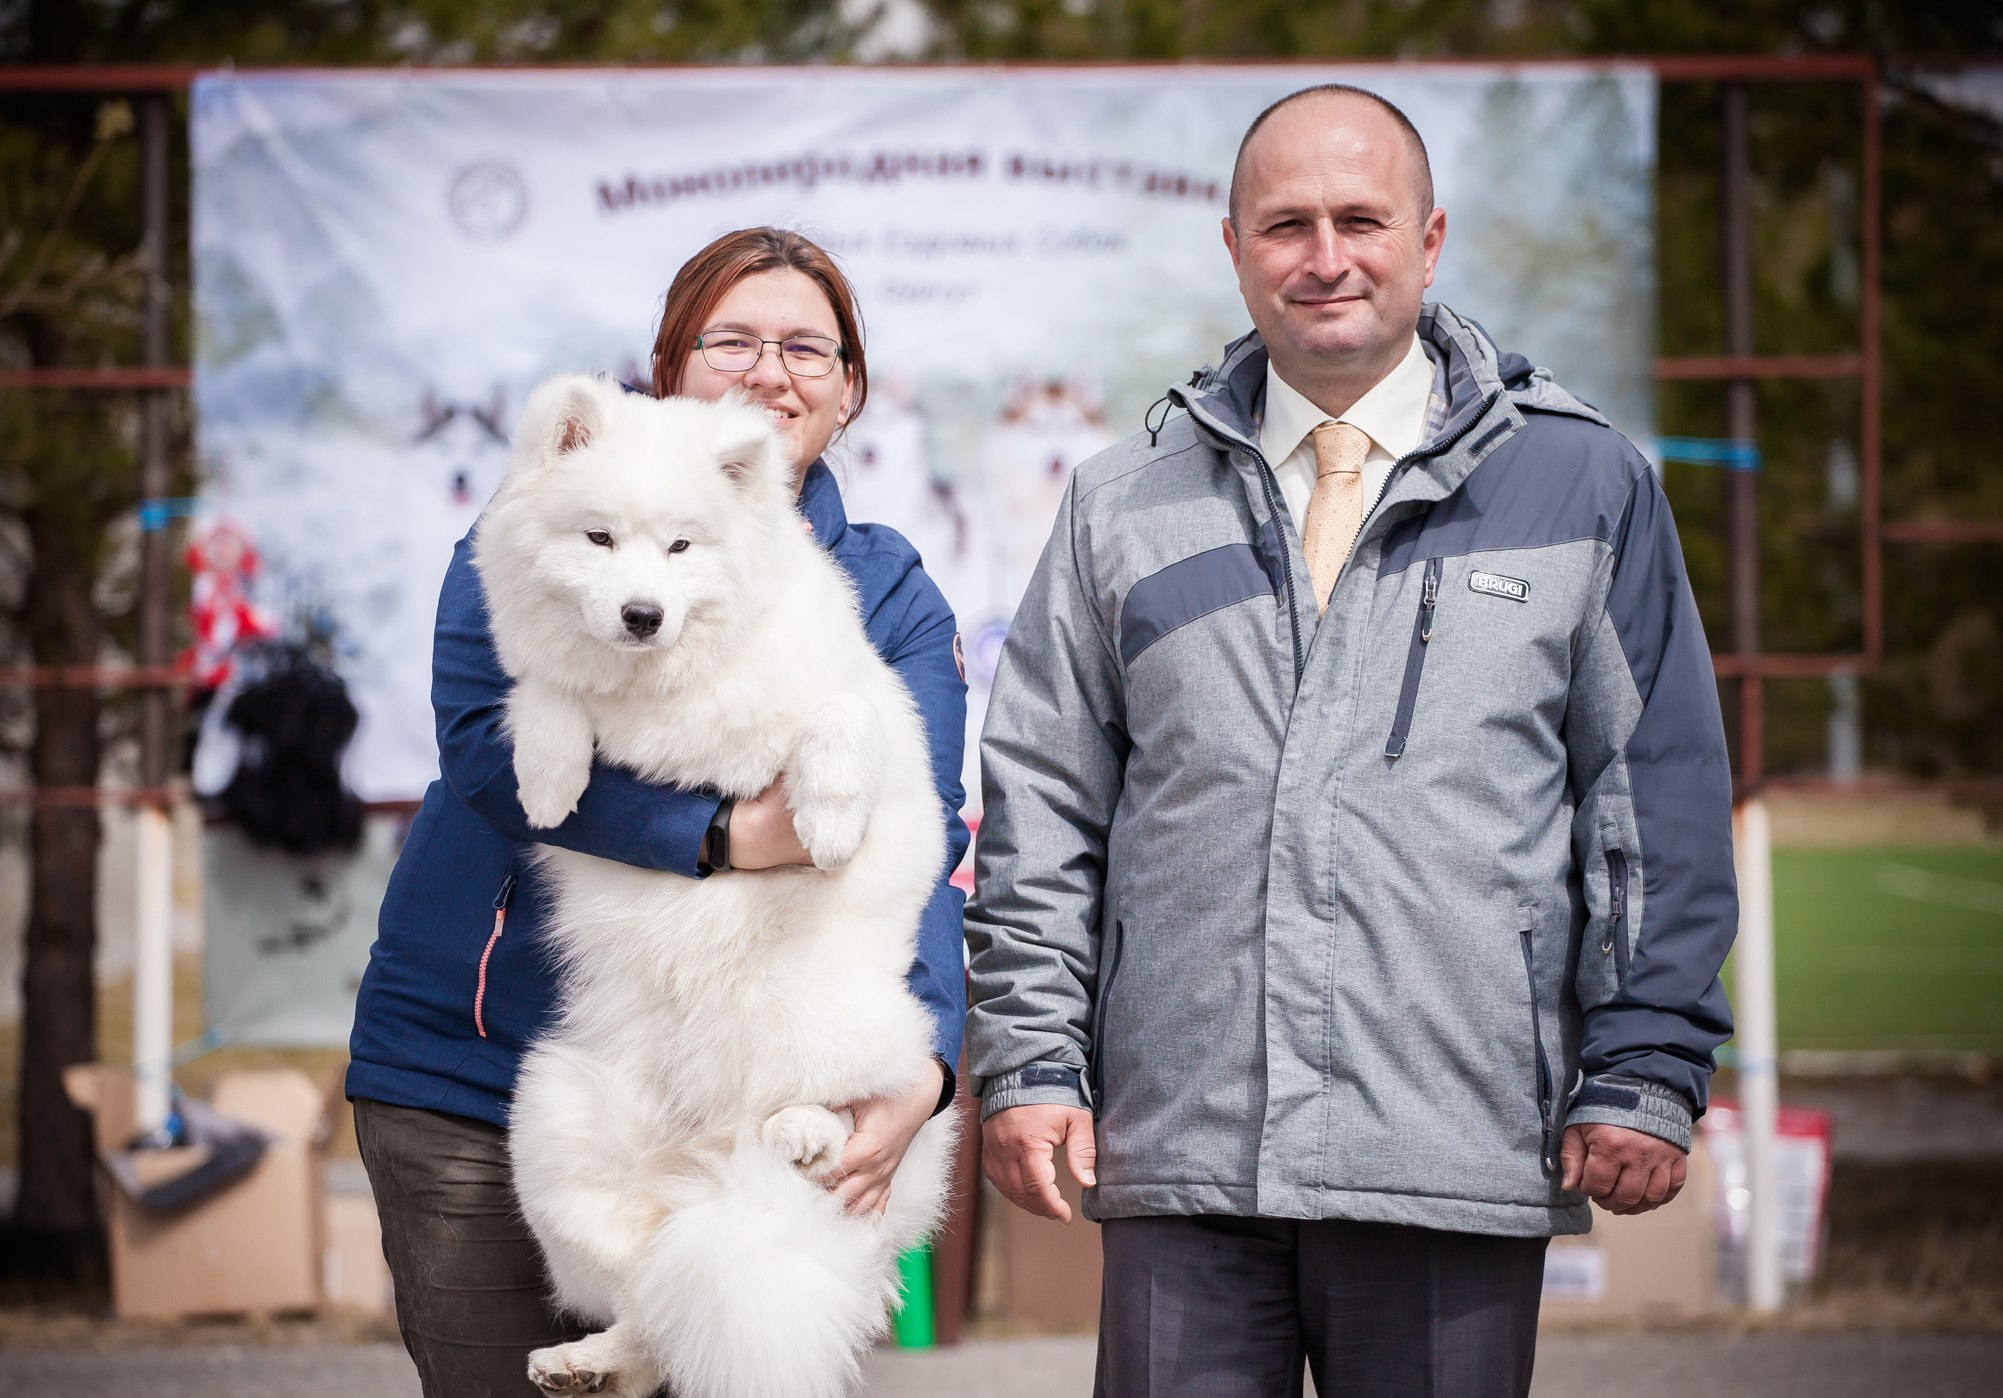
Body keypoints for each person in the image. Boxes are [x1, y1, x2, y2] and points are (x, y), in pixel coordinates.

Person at [966, 84, 1736, 1398]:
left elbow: (1648, 796)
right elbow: (1042, 811)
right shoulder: (1119, 506)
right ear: (1232, 248)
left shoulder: (1583, 483)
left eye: (1359, 220)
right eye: (1285, 225)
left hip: (1451, 1143)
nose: (1324, 256)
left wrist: (1644, 1063)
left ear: (1428, 241)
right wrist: (1029, 1060)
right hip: (1183, 1151)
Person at [346, 227, 970, 1397]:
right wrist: (718, 838)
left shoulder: (883, 587)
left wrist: (925, 1063)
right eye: (730, 340)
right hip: (472, 1066)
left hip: (738, 1076)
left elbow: (922, 827)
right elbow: (488, 754)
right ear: (670, 365)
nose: (767, 371)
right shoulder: (542, 530)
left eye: (806, 348)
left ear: (848, 393)